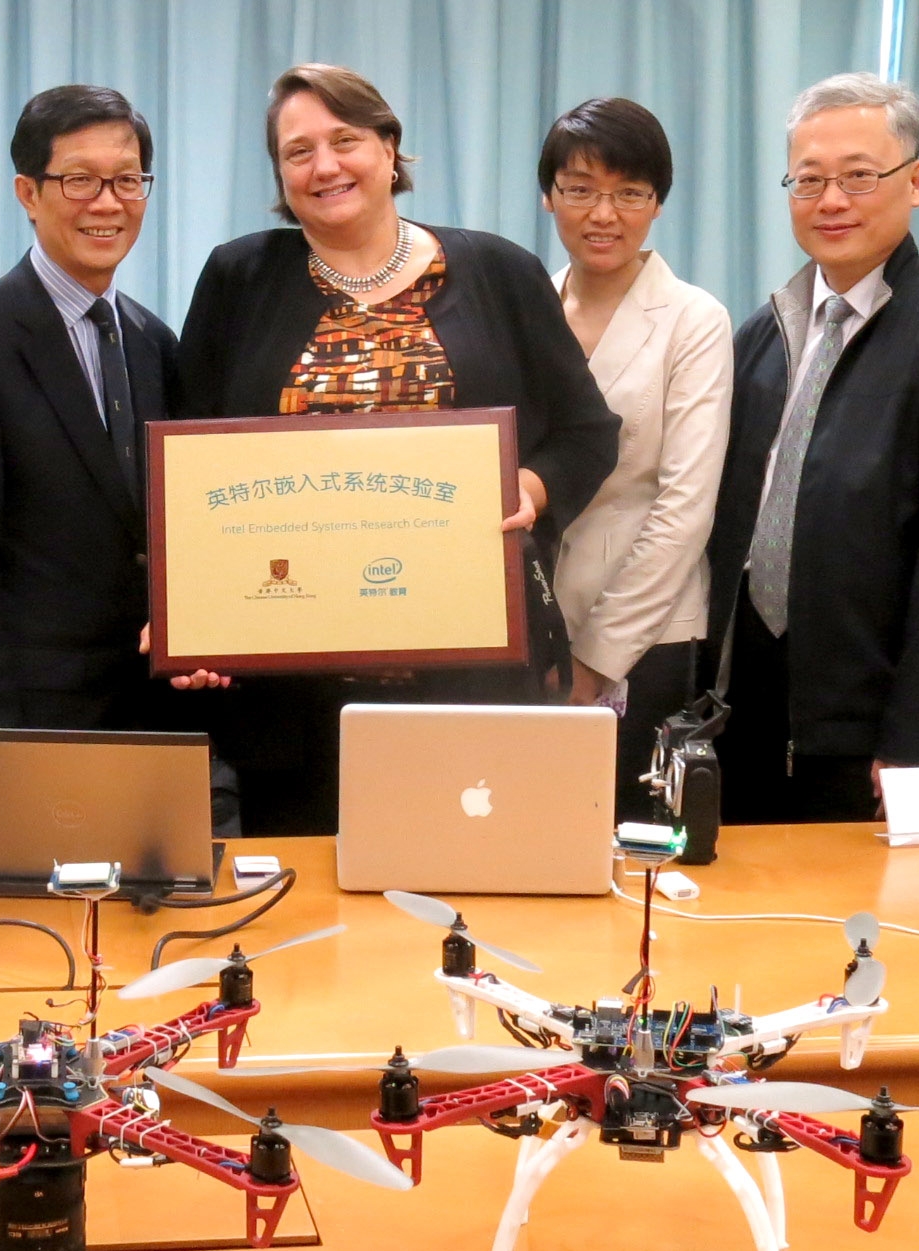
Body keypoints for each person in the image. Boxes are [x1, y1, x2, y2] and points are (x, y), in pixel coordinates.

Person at [176, 62, 620, 835]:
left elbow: (587, 433)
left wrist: (532, 487)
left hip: (470, 674)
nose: (324, 166)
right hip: (296, 687)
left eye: (344, 140)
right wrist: (194, 615)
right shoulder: (238, 279)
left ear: (388, 147)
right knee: (308, 918)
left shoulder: (499, 272)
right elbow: (188, 466)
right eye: (297, 151)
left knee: (467, 894)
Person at [704, 74, 919, 823]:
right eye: (808, 180)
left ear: (914, 183)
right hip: (740, 711)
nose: (832, 201)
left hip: (873, 737)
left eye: (858, 176)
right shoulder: (764, 334)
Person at [0, 85, 187, 731]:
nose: (108, 204)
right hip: (36, 717)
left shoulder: (154, 342)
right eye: (81, 181)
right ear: (28, 194)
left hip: (155, 708)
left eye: (127, 180)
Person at [539, 99, 733, 820]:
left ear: (657, 203)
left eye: (629, 193)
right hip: (534, 630)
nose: (603, 213)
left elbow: (687, 508)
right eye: (580, 189)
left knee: (628, 840)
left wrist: (597, 658)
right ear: (549, 195)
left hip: (646, 635)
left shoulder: (693, 319)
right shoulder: (532, 306)